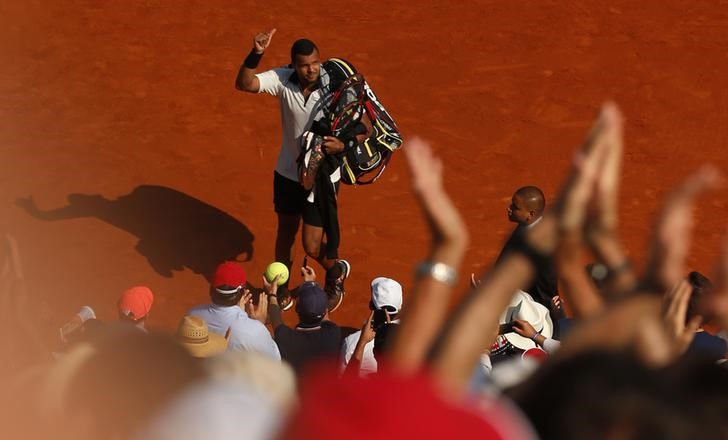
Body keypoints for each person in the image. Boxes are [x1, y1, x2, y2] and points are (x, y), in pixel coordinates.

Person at [235, 29, 350, 311]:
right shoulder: (283, 79)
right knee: (285, 232)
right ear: (294, 65)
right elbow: (245, 83)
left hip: (321, 178)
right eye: (304, 65)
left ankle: (336, 272)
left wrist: (343, 144)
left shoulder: (334, 85)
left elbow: (360, 129)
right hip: (287, 173)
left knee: (311, 246)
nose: (311, 69)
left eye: (315, 63)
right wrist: (257, 54)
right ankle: (282, 288)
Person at [188, 261, 280, 360]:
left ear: (211, 290)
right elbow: (275, 360)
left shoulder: (192, 316)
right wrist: (258, 324)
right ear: (242, 292)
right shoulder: (255, 330)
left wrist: (241, 314)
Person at [264, 265, 341, 374]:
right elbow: (324, 313)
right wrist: (311, 284)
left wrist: (272, 293)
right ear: (325, 310)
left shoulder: (286, 339)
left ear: (296, 308)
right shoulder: (333, 333)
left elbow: (275, 317)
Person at [495, 186, 558, 311]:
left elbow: (545, 292)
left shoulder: (543, 250)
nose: (509, 208)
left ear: (531, 214)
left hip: (525, 310)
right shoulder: (526, 225)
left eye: (515, 207)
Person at [339, 277, 403, 376]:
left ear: (370, 305)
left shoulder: (352, 344)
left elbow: (343, 381)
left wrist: (362, 342)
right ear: (399, 307)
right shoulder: (413, 337)